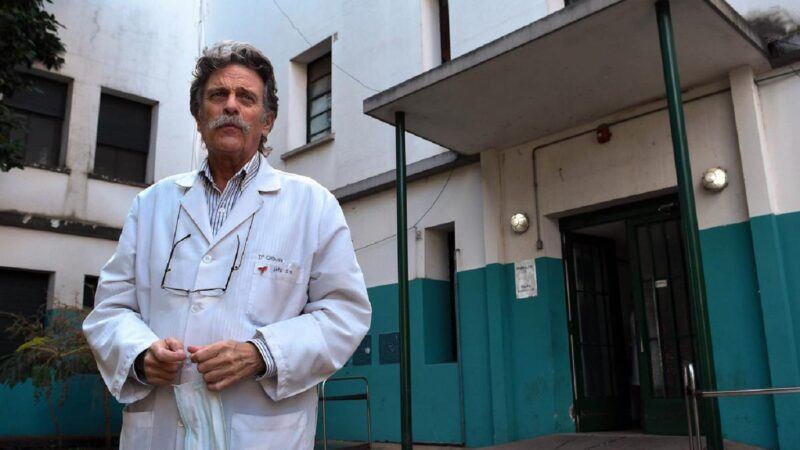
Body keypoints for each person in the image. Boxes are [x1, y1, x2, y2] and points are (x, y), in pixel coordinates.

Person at [83, 41, 371, 450]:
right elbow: (110, 309)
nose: (231, 105)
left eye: (246, 98)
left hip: (262, 434)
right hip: (162, 430)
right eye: (218, 95)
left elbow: (344, 313)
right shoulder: (151, 205)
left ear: (267, 121)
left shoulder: (312, 204)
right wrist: (140, 355)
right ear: (199, 116)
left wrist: (261, 354)